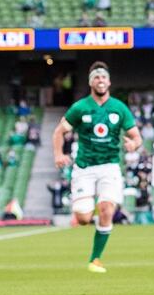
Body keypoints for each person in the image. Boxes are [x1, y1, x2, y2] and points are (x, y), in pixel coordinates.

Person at [51, 61, 142, 274]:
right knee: (82, 218)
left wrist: (132, 144)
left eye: (103, 77)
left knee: (106, 210)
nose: (100, 80)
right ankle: (92, 210)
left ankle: (95, 259)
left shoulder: (119, 108)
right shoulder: (80, 108)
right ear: (91, 82)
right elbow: (58, 132)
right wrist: (58, 154)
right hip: (84, 168)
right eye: (96, 77)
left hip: (110, 167)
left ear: (109, 81)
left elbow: (136, 137)